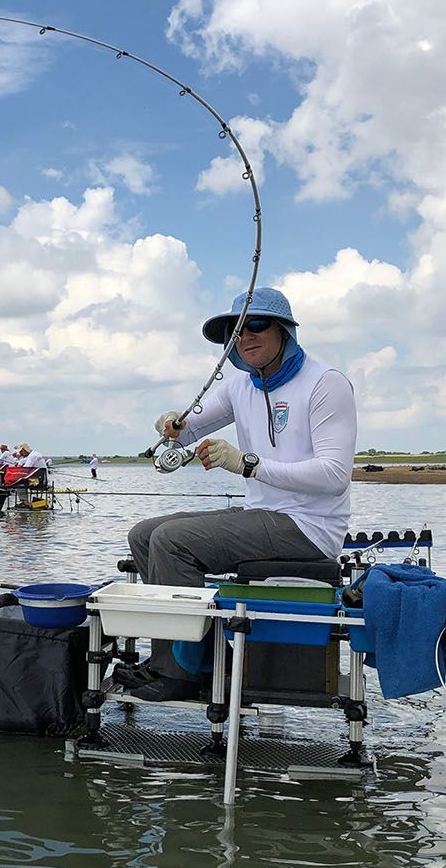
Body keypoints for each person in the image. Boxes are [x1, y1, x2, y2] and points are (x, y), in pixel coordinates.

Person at [121, 286, 357, 701]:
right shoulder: (239, 386)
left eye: (257, 324)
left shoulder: (325, 383)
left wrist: (246, 464)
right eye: (236, 328)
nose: (245, 335)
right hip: (261, 514)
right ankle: (201, 659)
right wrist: (172, 424)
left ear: (284, 330)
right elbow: (189, 428)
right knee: (144, 534)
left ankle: (181, 671)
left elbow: (335, 475)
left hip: (310, 527)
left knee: (172, 541)